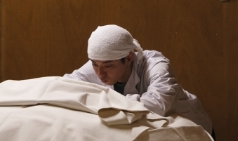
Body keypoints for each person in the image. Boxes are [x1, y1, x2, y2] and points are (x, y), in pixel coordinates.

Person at [64, 24, 214, 135]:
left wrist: (104, 103)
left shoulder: (155, 63)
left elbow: (159, 102)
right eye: (95, 64)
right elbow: (65, 86)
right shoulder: (102, 61)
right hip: (151, 133)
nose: (100, 73)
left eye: (109, 67)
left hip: (193, 131)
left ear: (129, 58)